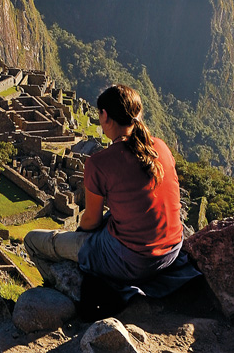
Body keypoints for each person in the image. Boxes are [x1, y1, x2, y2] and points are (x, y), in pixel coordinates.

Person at [24, 85, 198, 300]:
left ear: (105, 116)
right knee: (109, 219)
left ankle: (67, 293)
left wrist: (79, 237)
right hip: (172, 250)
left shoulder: (100, 163)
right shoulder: (160, 147)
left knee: (32, 239)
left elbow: (90, 221)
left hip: (133, 262)